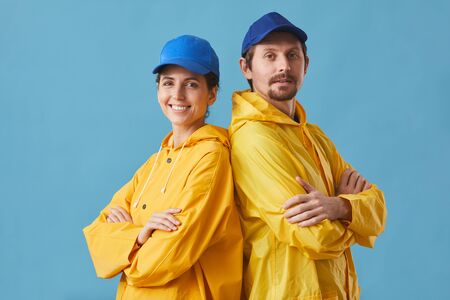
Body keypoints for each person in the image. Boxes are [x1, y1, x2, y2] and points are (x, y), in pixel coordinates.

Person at [229, 12, 387, 299]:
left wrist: (339, 207)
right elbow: (314, 236)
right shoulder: (253, 139)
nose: (284, 66)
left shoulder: (314, 137)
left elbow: (378, 207)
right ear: (246, 68)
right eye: (269, 56)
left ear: (306, 65)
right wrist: (354, 217)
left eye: (292, 55)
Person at [83, 35, 243, 300]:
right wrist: (140, 235)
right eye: (168, 83)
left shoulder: (212, 157)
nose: (177, 95)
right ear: (158, 90)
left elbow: (165, 259)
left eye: (191, 84)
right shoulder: (153, 164)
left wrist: (126, 253)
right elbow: (98, 234)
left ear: (212, 94)